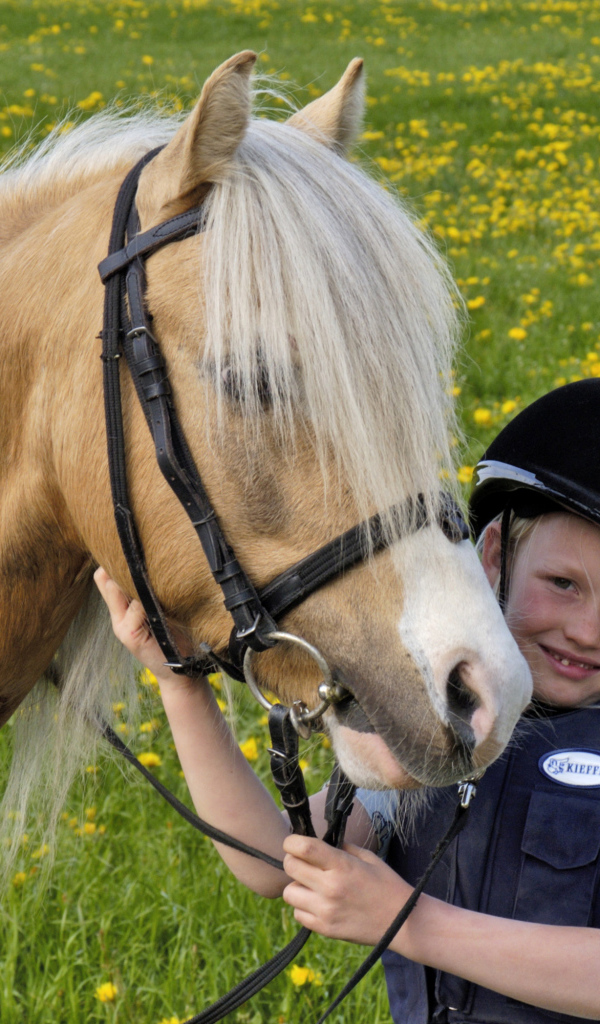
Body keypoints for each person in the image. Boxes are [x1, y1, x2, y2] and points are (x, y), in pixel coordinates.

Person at [95, 379, 600, 1023]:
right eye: (563, 584)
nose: (587, 631)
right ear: (495, 557)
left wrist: (408, 922)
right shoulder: (441, 722)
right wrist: (181, 683)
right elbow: (276, 861)